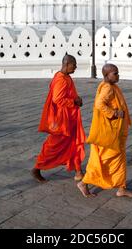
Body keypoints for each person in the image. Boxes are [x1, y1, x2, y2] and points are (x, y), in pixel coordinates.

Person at [77, 64, 132, 198]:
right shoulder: (108, 88)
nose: (118, 75)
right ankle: (84, 182)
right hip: (110, 133)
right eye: (115, 73)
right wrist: (114, 113)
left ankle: (121, 188)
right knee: (105, 160)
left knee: (117, 159)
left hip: (111, 131)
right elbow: (100, 104)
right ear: (107, 75)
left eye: (117, 73)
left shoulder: (110, 86)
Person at [31, 55, 86, 183]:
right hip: (62, 120)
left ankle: (78, 170)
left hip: (70, 117)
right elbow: (58, 99)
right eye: (74, 65)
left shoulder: (66, 77)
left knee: (73, 142)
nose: (76, 67)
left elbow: (69, 95)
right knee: (53, 145)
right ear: (67, 64)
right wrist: (74, 101)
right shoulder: (61, 79)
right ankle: (37, 167)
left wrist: (77, 100)